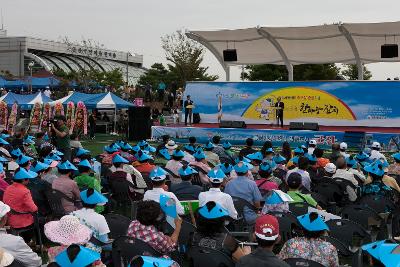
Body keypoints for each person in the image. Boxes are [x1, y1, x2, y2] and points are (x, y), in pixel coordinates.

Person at [0, 201, 42, 267]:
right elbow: (35, 263)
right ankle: (33, 242)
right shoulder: (13, 241)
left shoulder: (8, 191)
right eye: (6, 214)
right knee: (39, 220)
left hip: (14, 222)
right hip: (20, 222)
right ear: (4, 218)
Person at [3, 168, 38, 244]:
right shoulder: (25, 191)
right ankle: (31, 242)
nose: (29, 180)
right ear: (23, 180)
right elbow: (33, 208)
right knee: (39, 220)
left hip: (9, 219)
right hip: (22, 222)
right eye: (27, 179)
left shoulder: (8, 188)